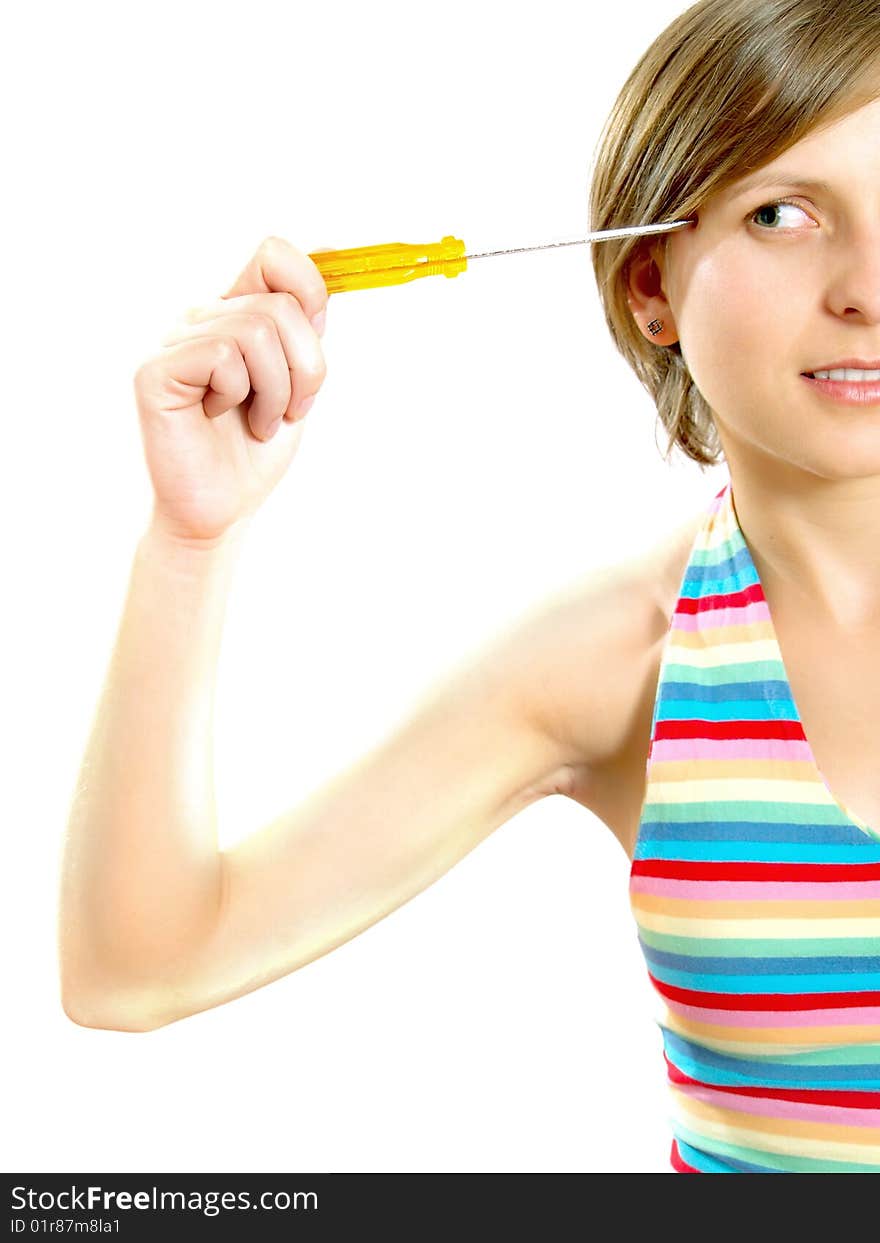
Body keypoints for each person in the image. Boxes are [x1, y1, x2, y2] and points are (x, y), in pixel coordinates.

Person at [58, 0, 880, 1173]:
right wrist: (191, 540)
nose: (866, 286)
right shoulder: (622, 657)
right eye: (782, 213)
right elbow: (135, 965)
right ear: (650, 283)